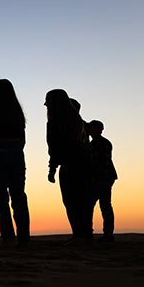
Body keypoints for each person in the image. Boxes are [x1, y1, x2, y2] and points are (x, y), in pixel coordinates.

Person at [0, 79, 30, 247]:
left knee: (1, 198)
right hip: (17, 152)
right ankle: (24, 238)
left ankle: (8, 238)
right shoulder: (17, 111)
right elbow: (23, 139)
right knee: (19, 196)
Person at [45, 89, 94, 245]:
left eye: (47, 102)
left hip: (70, 165)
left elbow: (53, 148)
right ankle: (86, 235)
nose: (45, 105)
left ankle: (78, 236)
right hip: (85, 165)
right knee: (83, 200)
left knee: (71, 201)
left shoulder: (54, 122)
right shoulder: (79, 122)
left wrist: (52, 169)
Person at [87, 119, 117, 242]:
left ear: (98, 129)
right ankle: (101, 233)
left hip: (103, 178)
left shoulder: (103, 143)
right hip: (99, 178)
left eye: (92, 128)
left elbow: (103, 163)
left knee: (103, 206)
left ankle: (107, 234)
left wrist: (100, 179)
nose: (90, 130)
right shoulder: (92, 144)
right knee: (99, 205)